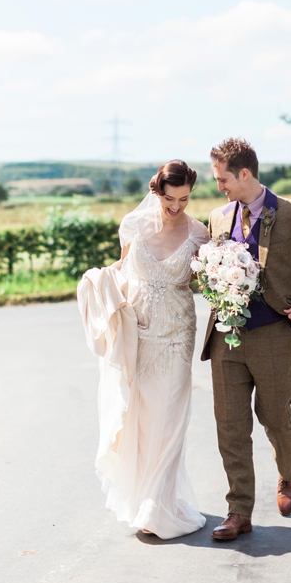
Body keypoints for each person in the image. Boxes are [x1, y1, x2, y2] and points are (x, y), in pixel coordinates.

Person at [204, 138, 291, 542]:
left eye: (223, 179)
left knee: (275, 419)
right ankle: (238, 511)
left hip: (273, 337)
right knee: (230, 426)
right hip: (225, 338)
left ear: (244, 174)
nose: (220, 187)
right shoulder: (217, 217)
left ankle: (288, 473)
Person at [78, 160, 210, 539]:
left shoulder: (199, 234)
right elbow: (122, 269)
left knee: (169, 417)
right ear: (157, 192)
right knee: (140, 414)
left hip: (177, 333)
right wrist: (97, 284)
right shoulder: (132, 225)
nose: (177, 207)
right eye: (170, 199)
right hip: (139, 331)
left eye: (185, 199)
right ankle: (142, 498)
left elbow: (202, 283)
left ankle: (156, 504)